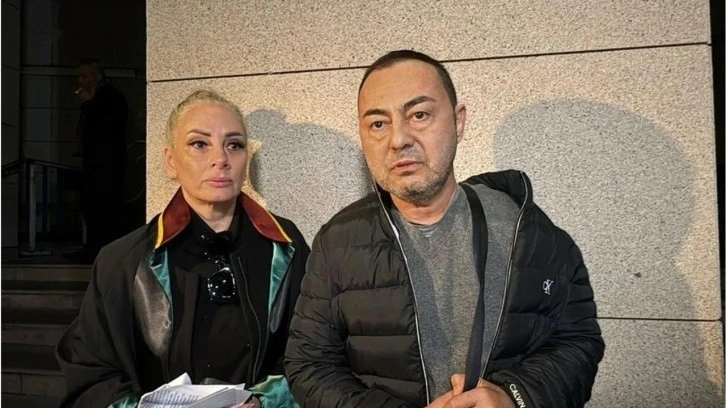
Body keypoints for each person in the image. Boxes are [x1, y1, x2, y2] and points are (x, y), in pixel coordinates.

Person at [285, 50, 604, 408]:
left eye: (419, 115)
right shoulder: (337, 241)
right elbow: (308, 365)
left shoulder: (526, 230)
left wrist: (515, 397)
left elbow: (578, 342)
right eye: (378, 124)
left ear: (458, 121)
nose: (398, 139)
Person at [57, 89, 310, 407]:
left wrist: (265, 401)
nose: (221, 159)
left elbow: (315, 354)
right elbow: (91, 377)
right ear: (171, 161)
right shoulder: (122, 261)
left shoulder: (286, 247)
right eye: (199, 144)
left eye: (234, 145)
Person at [72, 58, 129, 263]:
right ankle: (92, 250)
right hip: (94, 164)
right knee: (91, 209)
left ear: (97, 76)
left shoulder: (112, 98)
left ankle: (102, 253)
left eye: (84, 76)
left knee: (104, 210)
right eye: (79, 77)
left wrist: (89, 104)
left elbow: (108, 126)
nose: (81, 81)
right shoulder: (99, 99)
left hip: (107, 166)